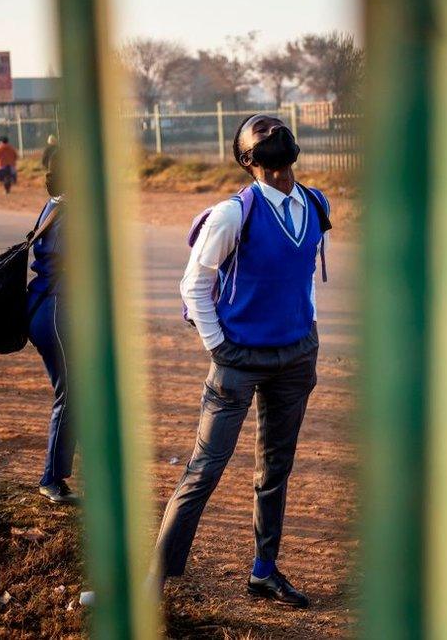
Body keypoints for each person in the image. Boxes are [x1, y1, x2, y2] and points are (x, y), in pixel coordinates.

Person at [152, 114, 331, 608]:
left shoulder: (316, 203)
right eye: (263, 133)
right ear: (247, 159)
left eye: (278, 130)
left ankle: (264, 571)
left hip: (296, 358)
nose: (274, 134)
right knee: (205, 468)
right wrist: (220, 346)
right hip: (238, 361)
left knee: (275, 469)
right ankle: (156, 578)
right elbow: (195, 284)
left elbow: (305, 275)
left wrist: (307, 332)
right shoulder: (233, 215)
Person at [26, 152, 77, 504]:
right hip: (57, 310)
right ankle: (50, 479)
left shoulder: (55, 205)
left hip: (44, 307)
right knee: (70, 393)